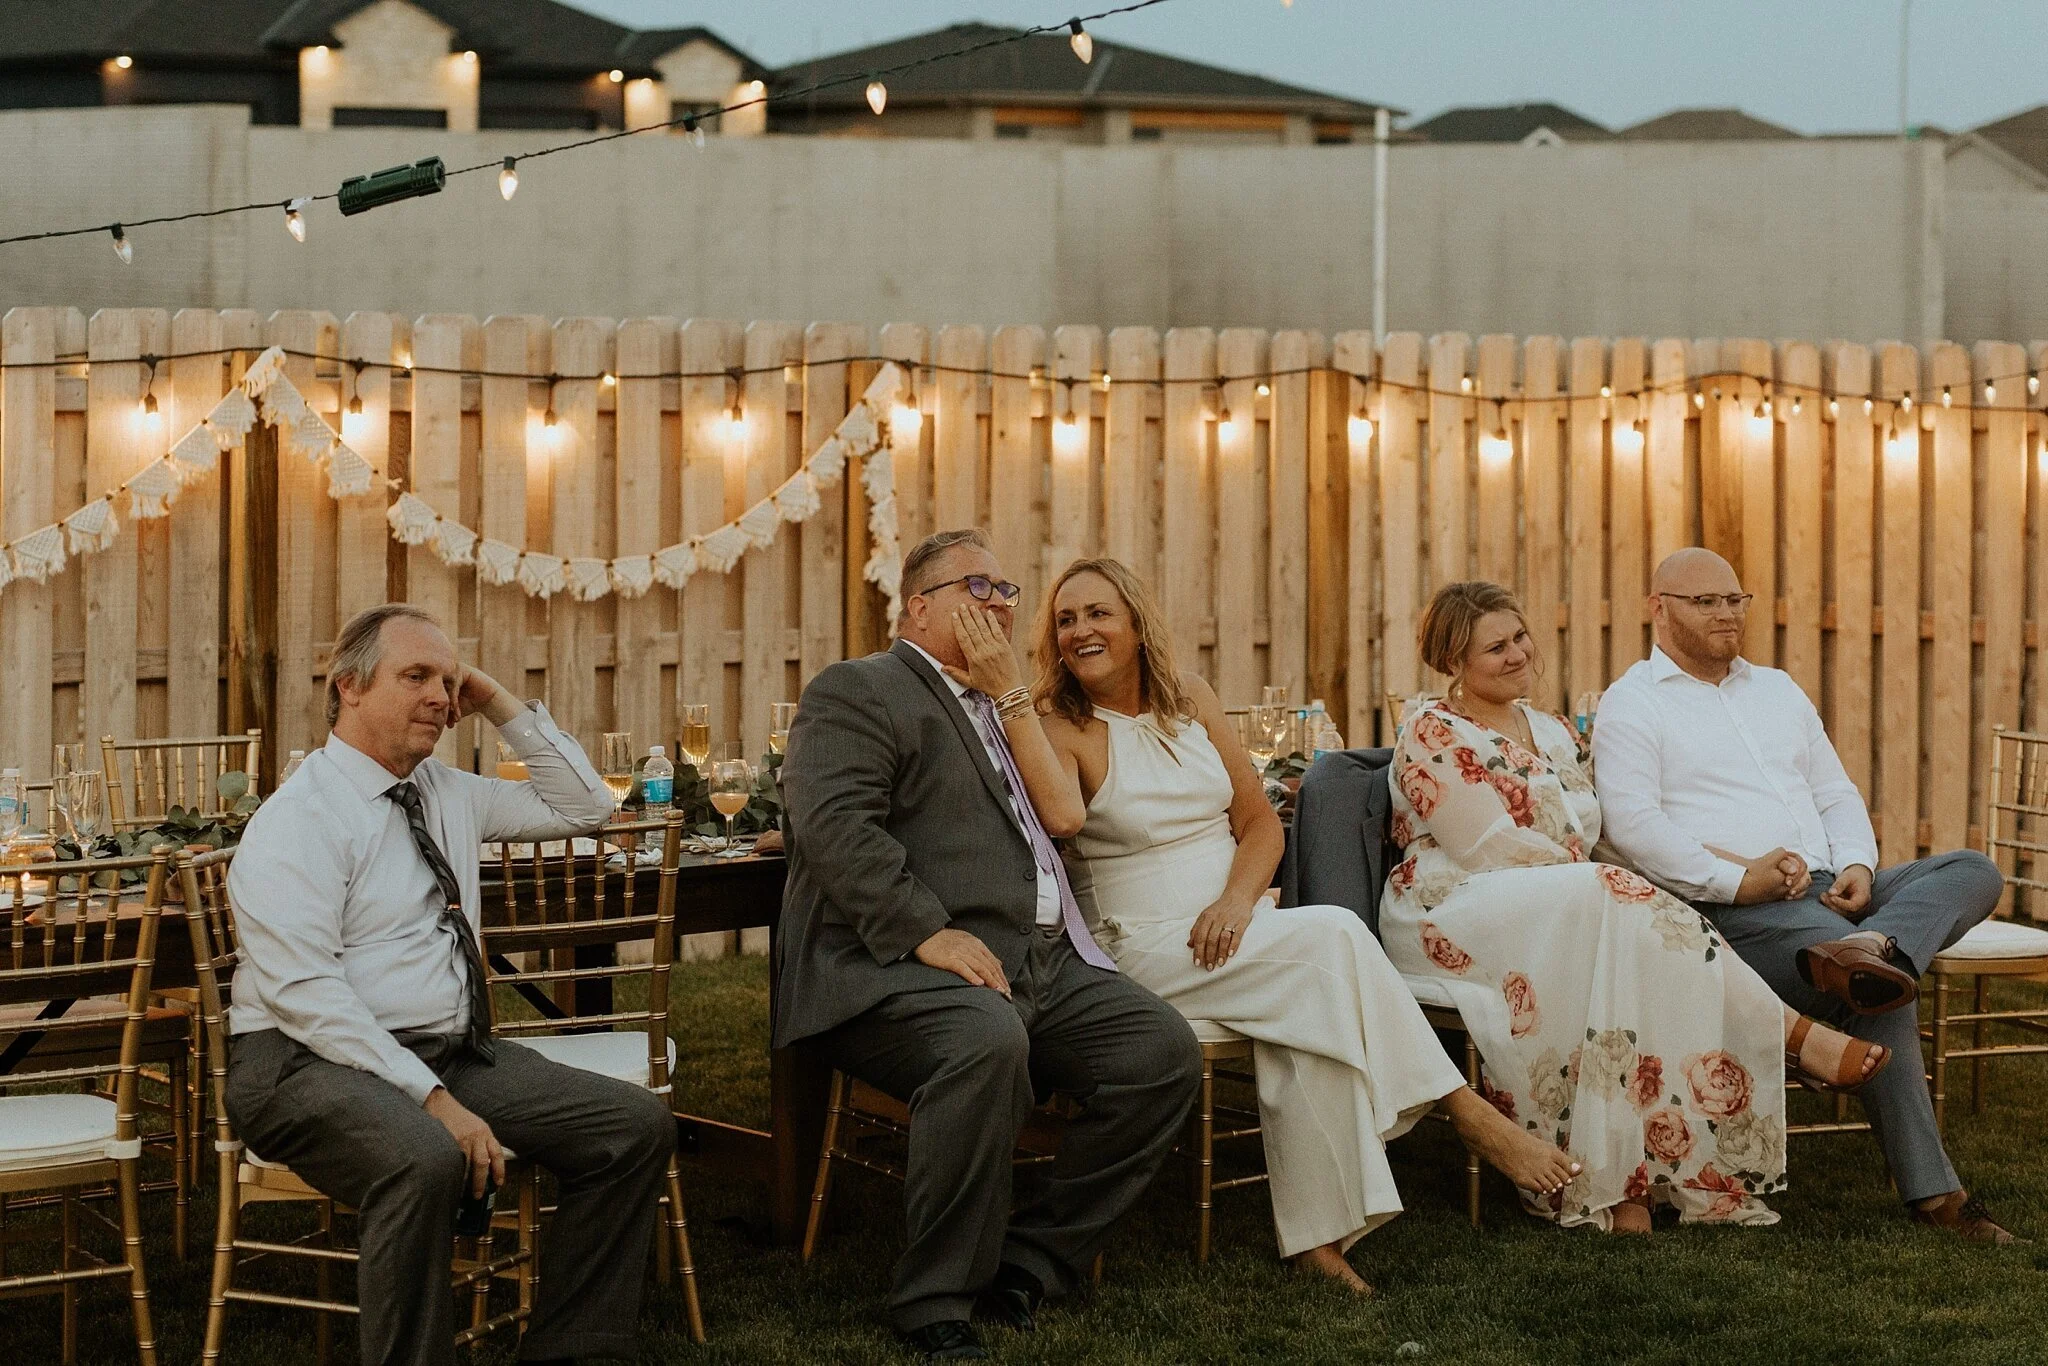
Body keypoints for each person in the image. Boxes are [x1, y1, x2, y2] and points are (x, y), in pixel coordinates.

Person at [983, 557, 1579, 1291]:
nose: (1081, 631)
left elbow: (1261, 822)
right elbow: (1062, 818)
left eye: (1099, 613)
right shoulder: (1058, 726)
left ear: (1136, 624)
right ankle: (1467, 1113)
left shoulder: (1190, 699)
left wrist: (1237, 900)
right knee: (1331, 938)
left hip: (1232, 926)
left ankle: (1319, 1238)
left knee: (1309, 1005)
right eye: (1066, 619)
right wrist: (1010, 694)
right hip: (1142, 942)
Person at [775, 530, 1202, 1363]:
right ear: (920, 605)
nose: (1003, 604)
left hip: (1041, 956)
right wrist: (925, 931)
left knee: (1161, 1051)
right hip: (891, 967)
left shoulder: (1007, 703)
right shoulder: (861, 689)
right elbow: (830, 828)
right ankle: (935, 1298)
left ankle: (1032, 1261)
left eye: (1009, 590)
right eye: (980, 587)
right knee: (984, 1039)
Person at [226, 603, 676, 1366]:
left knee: (633, 1126)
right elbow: (308, 996)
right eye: (416, 676)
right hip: (303, 1062)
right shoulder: (298, 819)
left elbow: (591, 806)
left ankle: (576, 1350)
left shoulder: (448, 792)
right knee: (424, 1157)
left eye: (448, 677)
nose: (441, 694)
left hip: (448, 1054)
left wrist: (498, 701)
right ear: (349, 688)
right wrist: (435, 1103)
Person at [1380, 581, 1889, 1234]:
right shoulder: (1431, 730)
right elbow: (1486, 847)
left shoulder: (1555, 732)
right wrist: (1605, 886)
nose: (1516, 655)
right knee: (1611, 902)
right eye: (1494, 648)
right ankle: (1786, 1029)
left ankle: (1630, 1185)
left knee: (1627, 931)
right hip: (1453, 908)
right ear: (1453, 662)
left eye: (1520, 637)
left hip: (1568, 903)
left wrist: (1733, 864)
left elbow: (1612, 834)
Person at [1593, 547, 2020, 1243]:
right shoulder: (1633, 703)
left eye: (1736, 598)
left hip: (1839, 898)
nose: (1727, 612)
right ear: (1659, 607)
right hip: (1744, 915)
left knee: (1973, 870)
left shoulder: (1778, 690)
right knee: (1874, 988)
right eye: (1706, 601)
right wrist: (1741, 879)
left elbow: (1833, 791)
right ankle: (1938, 1195)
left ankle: (1875, 948)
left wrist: (1856, 862)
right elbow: (1635, 826)